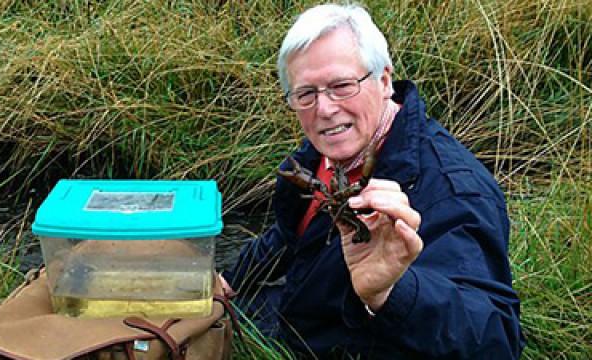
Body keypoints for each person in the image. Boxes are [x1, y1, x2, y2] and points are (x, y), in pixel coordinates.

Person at [220, 3, 524, 359]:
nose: (325, 109)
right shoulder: (328, 151)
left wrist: (390, 293)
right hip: (299, 317)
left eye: (342, 86)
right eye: (305, 94)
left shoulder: (453, 190)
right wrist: (229, 282)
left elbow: (497, 340)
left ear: (384, 81)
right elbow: (291, 234)